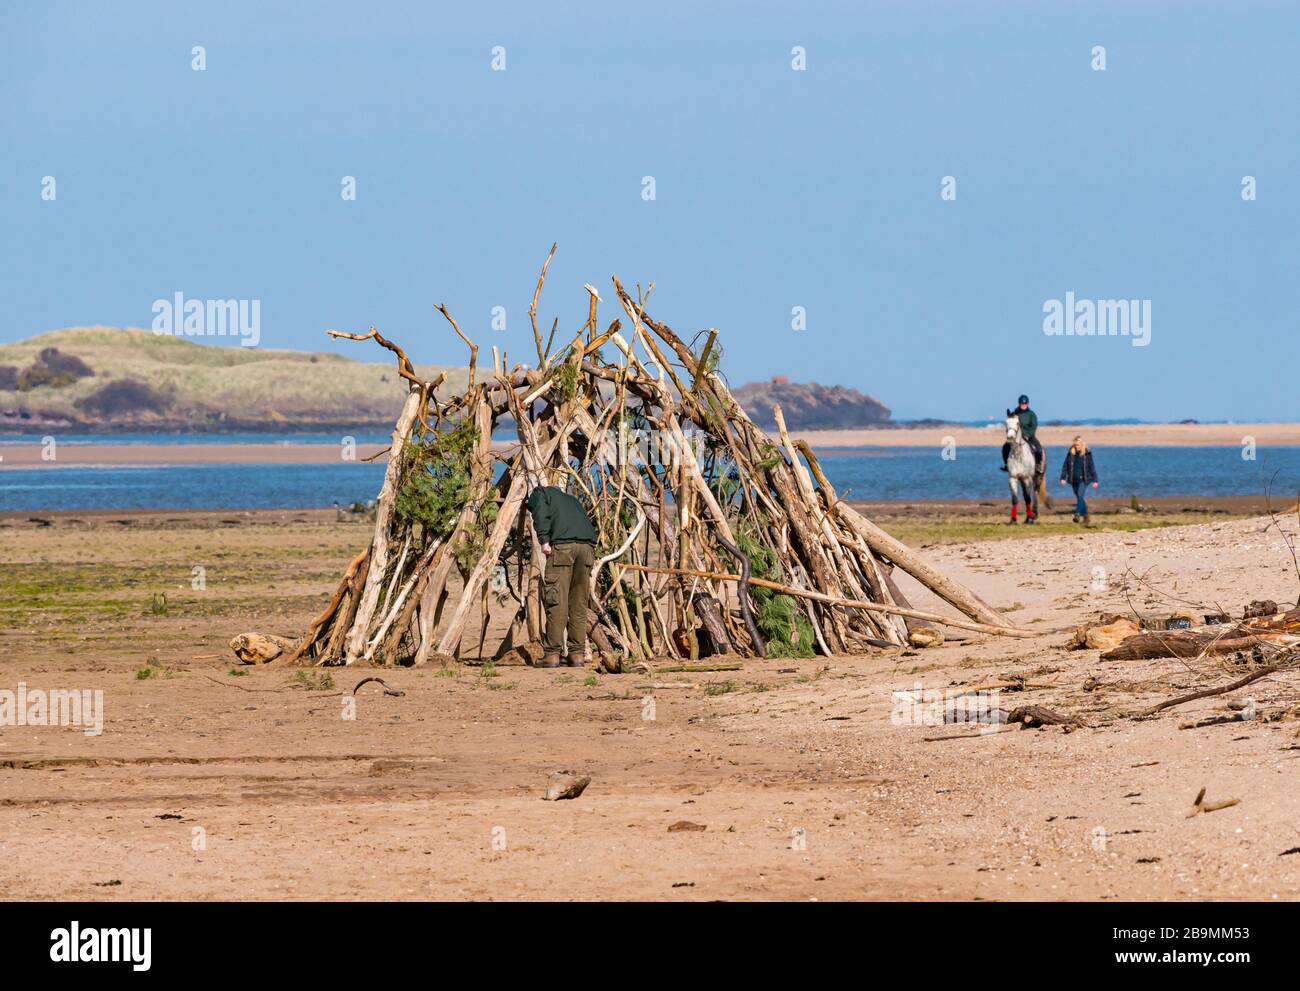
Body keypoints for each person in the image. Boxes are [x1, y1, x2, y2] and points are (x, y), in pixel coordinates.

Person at [525, 478, 599, 668]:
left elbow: (540, 513)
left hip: (564, 549)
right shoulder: (571, 499)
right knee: (579, 604)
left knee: (556, 601)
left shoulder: (539, 493)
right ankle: (576, 655)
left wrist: (544, 540)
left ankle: (552, 655)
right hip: (586, 548)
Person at [1059, 436, 1099, 524]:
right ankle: (1086, 516)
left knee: (1080, 496)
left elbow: (1092, 467)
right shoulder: (1071, 453)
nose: (1076, 447)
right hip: (1073, 479)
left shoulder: (1087, 454)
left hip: (1084, 479)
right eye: (1075, 445)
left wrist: (1095, 480)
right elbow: (1065, 466)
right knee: (1079, 498)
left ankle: (1077, 514)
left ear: (1081, 444)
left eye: (1078, 445)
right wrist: (1063, 478)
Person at [1001, 394, 1043, 474]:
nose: (1023, 405)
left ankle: (1038, 465)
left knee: (1039, 449)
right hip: (1016, 437)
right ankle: (1006, 465)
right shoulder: (1014, 413)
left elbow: (1034, 425)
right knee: (1005, 447)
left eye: (1025, 404)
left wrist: (1028, 434)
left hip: (1029, 436)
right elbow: (1010, 424)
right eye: (1022, 404)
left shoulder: (1031, 414)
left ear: (1028, 404)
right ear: (1019, 404)